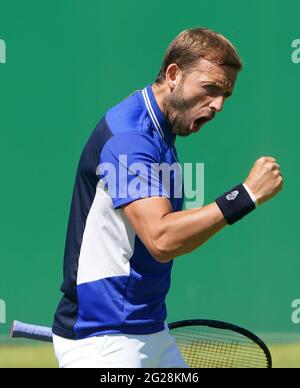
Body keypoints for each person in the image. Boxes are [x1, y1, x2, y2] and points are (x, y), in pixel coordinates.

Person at [52, 27, 283, 368]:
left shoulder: (160, 133)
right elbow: (161, 238)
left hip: (148, 330)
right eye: (210, 89)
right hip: (104, 339)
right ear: (174, 74)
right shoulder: (130, 138)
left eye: (225, 95)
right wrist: (244, 196)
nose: (218, 104)